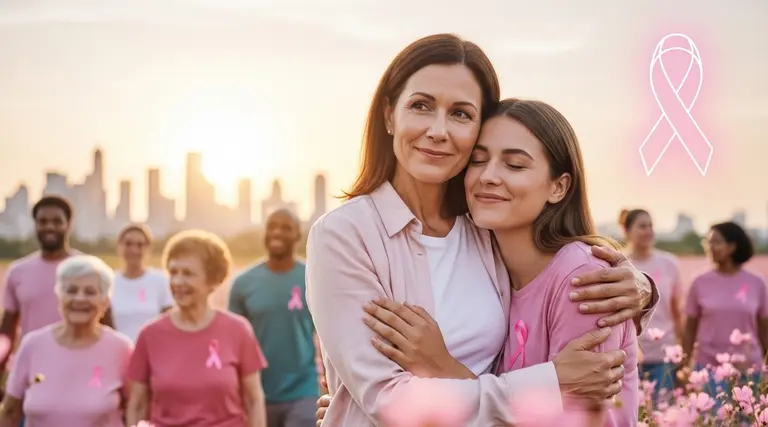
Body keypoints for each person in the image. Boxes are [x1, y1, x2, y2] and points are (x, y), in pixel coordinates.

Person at [306, 33, 657, 426]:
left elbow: (552, 275)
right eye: (421, 106)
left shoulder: (484, 230)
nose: (439, 130)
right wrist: (550, 382)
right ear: (390, 114)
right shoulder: (344, 235)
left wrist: (641, 287)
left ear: (478, 127)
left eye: (460, 113)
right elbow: (389, 400)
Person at [126, 229, 268, 427]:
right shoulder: (149, 335)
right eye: (173, 272)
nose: (177, 281)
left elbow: (254, 400)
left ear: (213, 281)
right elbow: (137, 405)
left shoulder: (238, 330)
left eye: (188, 274)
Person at [0, 255, 132, 427]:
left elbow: (135, 408)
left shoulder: (122, 348)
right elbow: (10, 412)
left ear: (105, 302)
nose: (79, 298)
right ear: (60, 297)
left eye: (90, 292)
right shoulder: (32, 345)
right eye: (71, 290)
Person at [0, 196, 113, 395]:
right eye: (43, 221)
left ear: (68, 224)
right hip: (33, 374)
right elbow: (6, 332)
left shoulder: (90, 268)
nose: (49, 227)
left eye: (56, 221)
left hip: (83, 370)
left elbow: (107, 324)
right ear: (35, 225)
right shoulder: (18, 272)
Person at [229, 209, 319, 427]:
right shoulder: (243, 283)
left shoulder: (313, 278)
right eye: (272, 226)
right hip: (257, 391)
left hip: (303, 390)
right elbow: (232, 343)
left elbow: (329, 333)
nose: (277, 232)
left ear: (298, 236)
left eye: (286, 228)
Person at [683, 221, 768, 393]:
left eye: (716, 242)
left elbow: (764, 328)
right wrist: (684, 365)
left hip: (749, 368)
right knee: (711, 418)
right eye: (708, 242)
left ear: (732, 246)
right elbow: (690, 327)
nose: (710, 247)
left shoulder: (757, 283)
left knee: (749, 419)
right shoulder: (700, 282)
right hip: (708, 368)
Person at [619, 209, 684, 400]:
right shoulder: (617, 262)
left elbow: (676, 312)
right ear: (626, 230)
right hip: (626, 354)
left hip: (663, 353)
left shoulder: (669, 263)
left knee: (660, 412)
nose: (648, 231)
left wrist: (681, 353)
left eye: (650, 226)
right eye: (642, 226)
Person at [111, 223, 173, 342]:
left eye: (140, 245)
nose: (134, 250)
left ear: (148, 248)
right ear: (119, 246)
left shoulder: (161, 280)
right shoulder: (110, 281)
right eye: (128, 244)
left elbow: (169, 320)